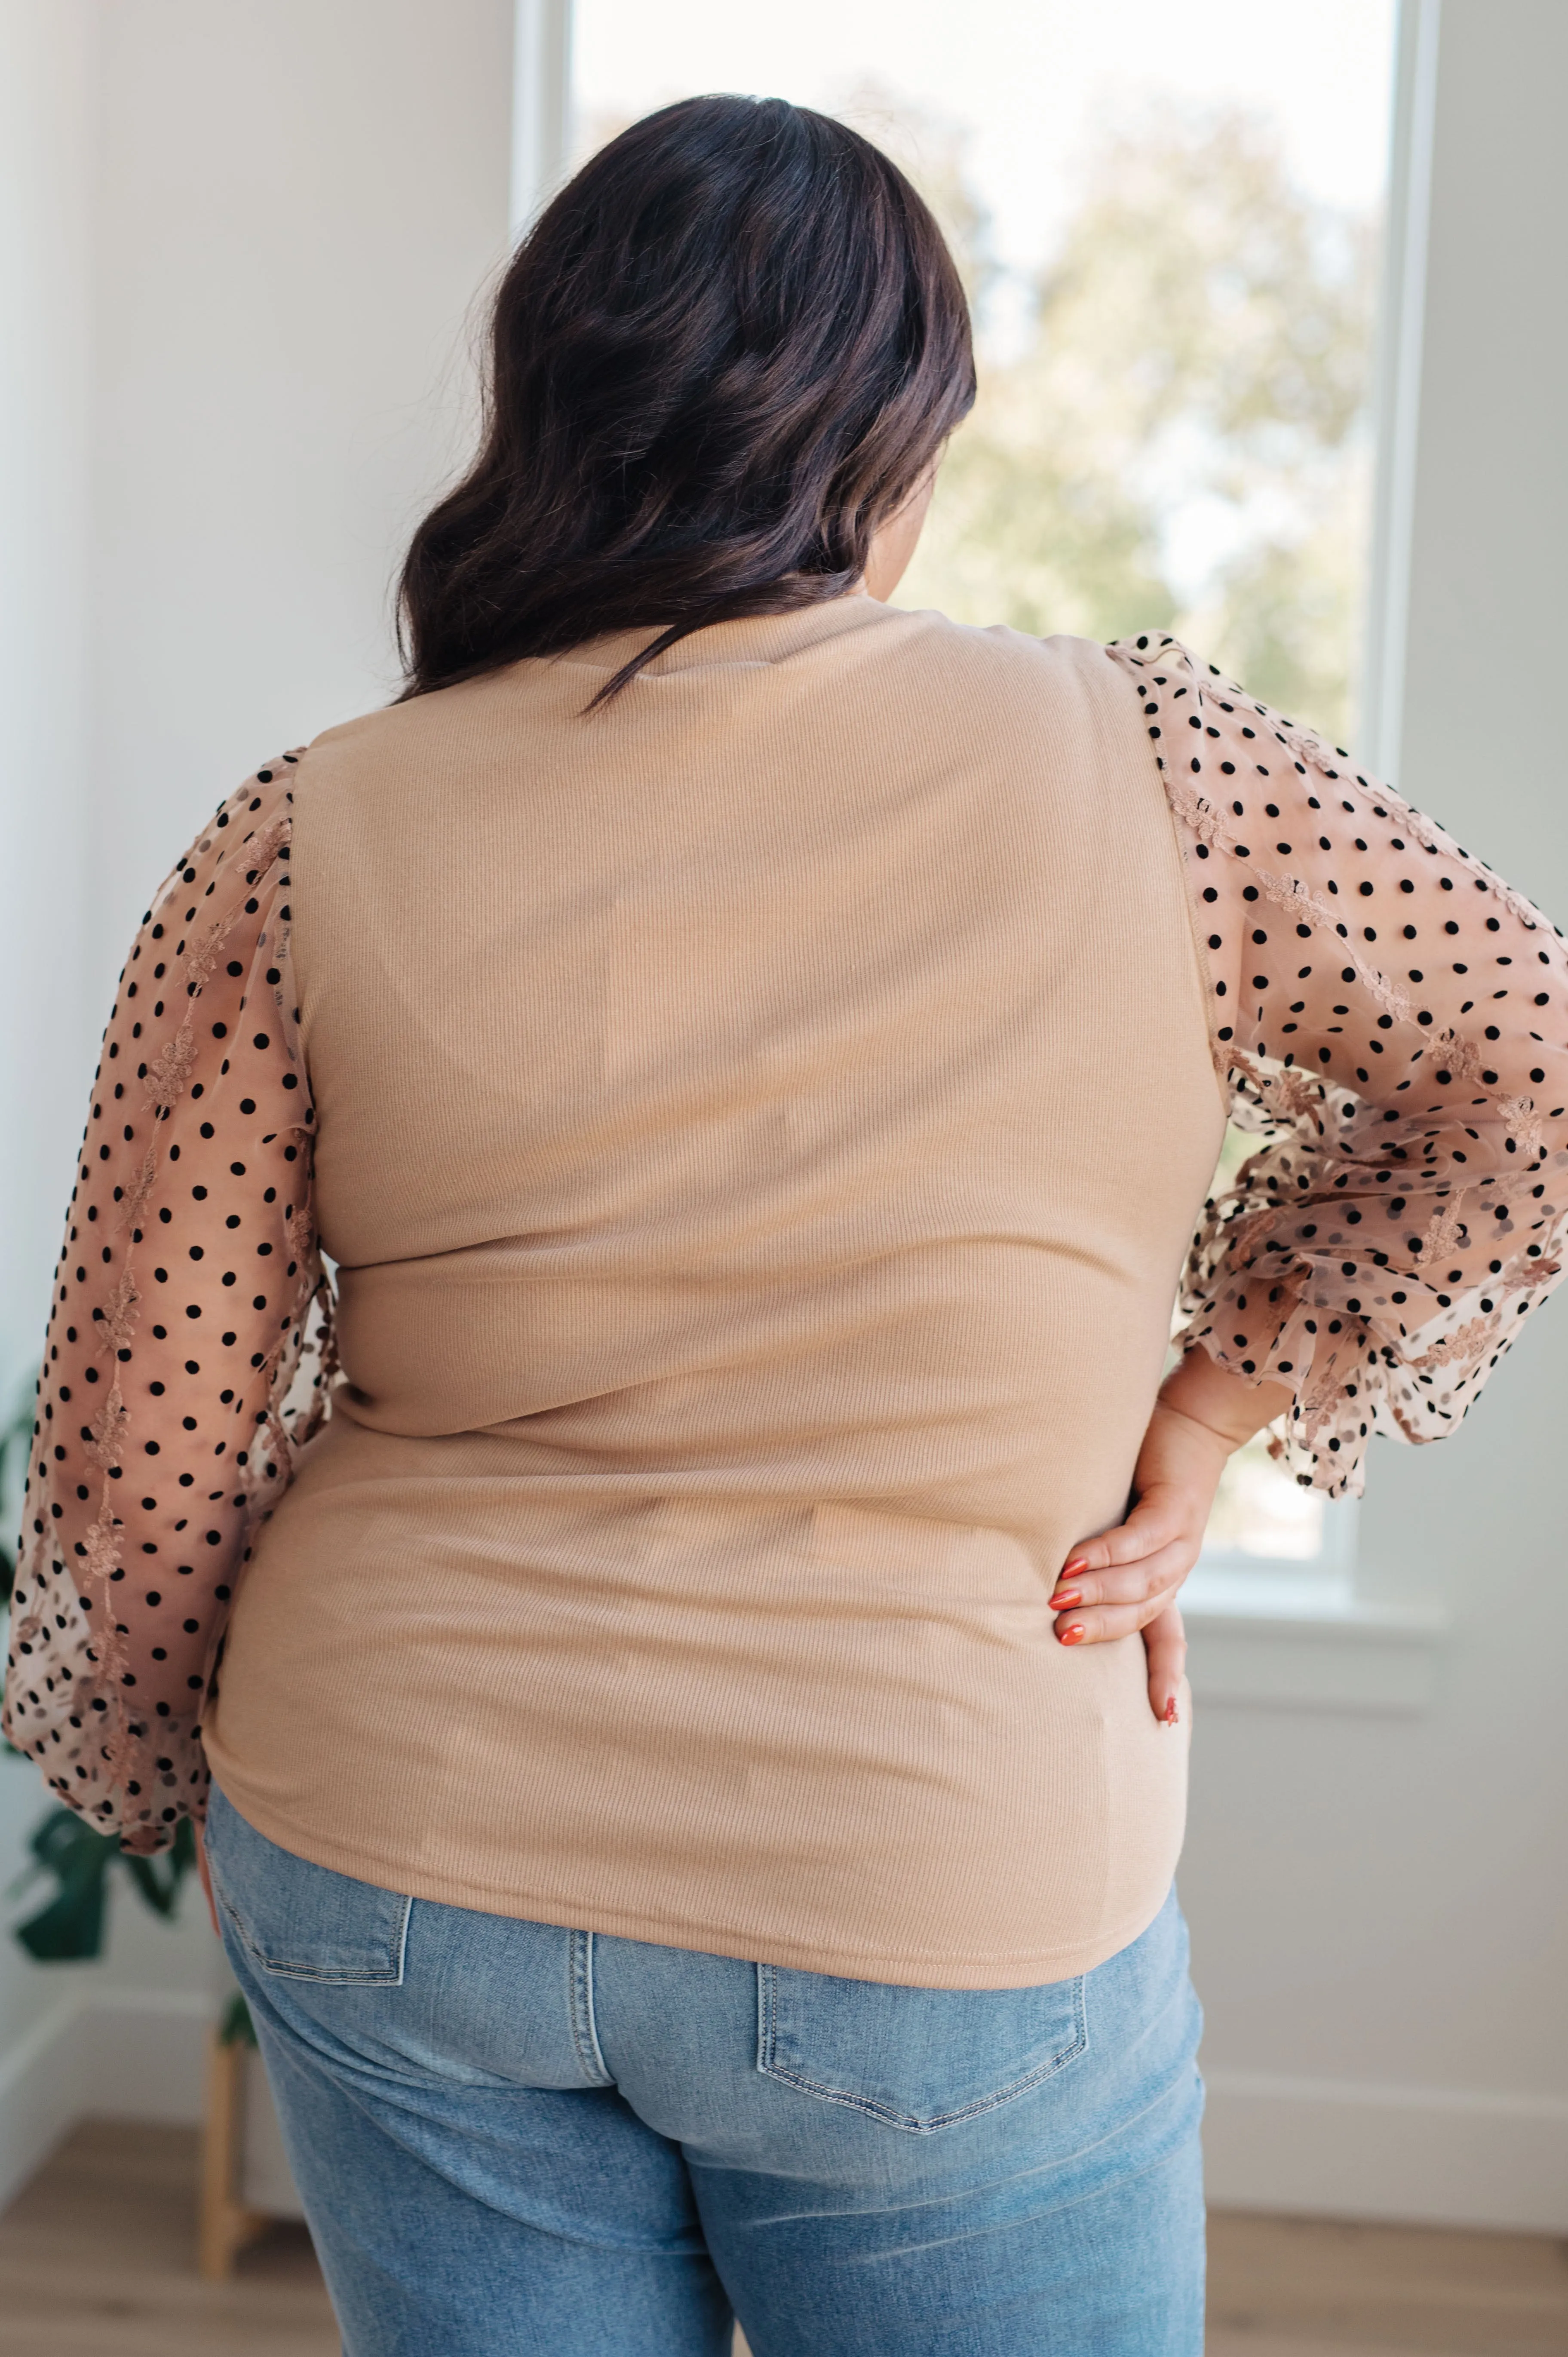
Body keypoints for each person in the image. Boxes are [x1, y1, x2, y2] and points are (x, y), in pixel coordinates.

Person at [6, 93, 1566, 2357]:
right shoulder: (1155, 764)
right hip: (940, 1858)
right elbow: (1530, 1055)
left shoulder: (302, 831)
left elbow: (136, 1460)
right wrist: (1211, 1406)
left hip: (398, 1838)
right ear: (897, 439)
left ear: (544, 405)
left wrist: (196, 1792)